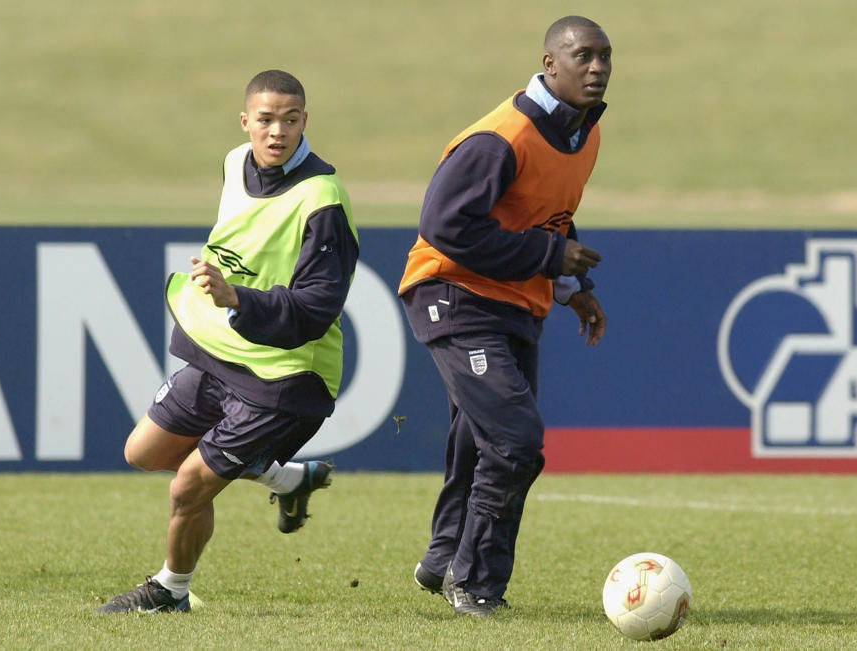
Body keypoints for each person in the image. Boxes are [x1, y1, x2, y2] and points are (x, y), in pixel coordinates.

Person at [97, 69, 359, 614]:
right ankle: (282, 476)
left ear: (305, 122)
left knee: (189, 486)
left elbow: (316, 310)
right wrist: (226, 298)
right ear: (245, 123)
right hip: (222, 352)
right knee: (142, 452)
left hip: (286, 376)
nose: (277, 132)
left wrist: (239, 298)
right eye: (264, 120)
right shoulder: (234, 162)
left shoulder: (324, 199)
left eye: (290, 120)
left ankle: (169, 591)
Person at [398, 16, 611, 617]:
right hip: (453, 294)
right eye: (583, 56)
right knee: (516, 442)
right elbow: (444, 226)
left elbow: (551, 217)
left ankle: (443, 560)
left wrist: (572, 287)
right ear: (550, 64)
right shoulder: (502, 136)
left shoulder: (584, 135)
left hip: (515, 302)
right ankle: (476, 583)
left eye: (605, 58)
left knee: (479, 437)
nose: (597, 68)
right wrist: (549, 257)